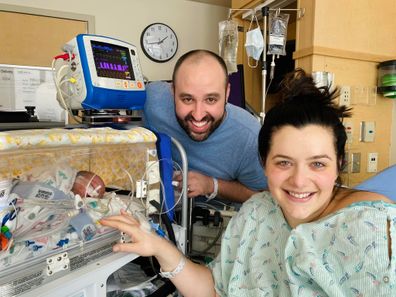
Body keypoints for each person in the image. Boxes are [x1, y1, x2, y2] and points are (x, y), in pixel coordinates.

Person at [100, 69, 395, 296]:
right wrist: (159, 246)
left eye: (317, 163)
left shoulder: (370, 230)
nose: (299, 181)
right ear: (264, 163)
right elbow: (213, 288)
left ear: (339, 165)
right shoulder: (258, 211)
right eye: (283, 163)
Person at [143, 49, 267, 203]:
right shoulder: (152, 100)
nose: (198, 115)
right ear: (173, 91)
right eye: (188, 99)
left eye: (211, 99)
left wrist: (212, 185)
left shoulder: (250, 137)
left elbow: (264, 198)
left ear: (227, 93)